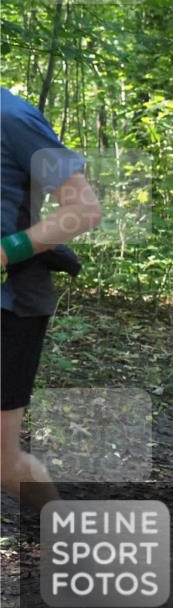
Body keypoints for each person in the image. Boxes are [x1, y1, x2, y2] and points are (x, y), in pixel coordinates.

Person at [1, 87, 102, 510]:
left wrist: (6, 252)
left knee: (2, 465)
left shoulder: (13, 118)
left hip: (10, 304)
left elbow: (84, 208)